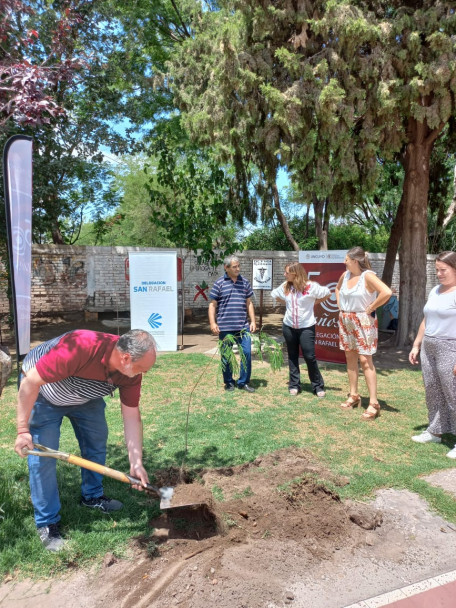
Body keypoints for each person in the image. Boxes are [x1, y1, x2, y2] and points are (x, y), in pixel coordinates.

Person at [14, 329, 157, 551]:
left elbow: (131, 415)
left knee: (96, 441)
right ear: (126, 358)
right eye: (141, 368)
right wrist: (23, 429)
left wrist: (136, 461)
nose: (142, 374)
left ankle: (92, 496)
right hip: (43, 392)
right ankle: (47, 522)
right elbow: (30, 382)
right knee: (44, 457)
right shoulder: (80, 346)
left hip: (85, 396)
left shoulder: (131, 373)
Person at [409, 251, 456, 458]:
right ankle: (435, 431)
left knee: (452, 392)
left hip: (450, 347)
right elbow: (426, 319)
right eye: (437, 270)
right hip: (429, 345)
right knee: (432, 389)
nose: (439, 274)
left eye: (443, 270)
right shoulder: (435, 291)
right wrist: (417, 345)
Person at [335, 247, 392, 420]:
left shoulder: (367, 276)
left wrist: (371, 307)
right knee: (350, 357)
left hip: (363, 321)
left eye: (346, 259)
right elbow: (337, 289)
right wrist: (340, 306)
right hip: (346, 320)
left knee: (365, 361)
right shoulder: (345, 276)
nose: (344, 262)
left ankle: (374, 403)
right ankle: (354, 395)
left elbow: (387, 292)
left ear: (354, 260)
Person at [271, 262, 330, 397]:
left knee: (309, 356)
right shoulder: (286, 286)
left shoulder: (311, 287)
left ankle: (317, 386)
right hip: (289, 326)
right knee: (292, 356)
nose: (284, 275)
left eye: (287, 272)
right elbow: (275, 294)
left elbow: (327, 293)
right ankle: (294, 384)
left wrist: (315, 302)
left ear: (295, 274)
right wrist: (286, 302)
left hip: (306, 327)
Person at [208, 255, 256, 392]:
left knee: (246, 353)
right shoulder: (219, 283)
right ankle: (229, 382)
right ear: (226, 267)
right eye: (234, 267)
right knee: (226, 356)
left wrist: (252, 321)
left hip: (243, 327)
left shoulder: (245, 282)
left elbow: (249, 303)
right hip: (225, 327)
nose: (238, 269)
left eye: (238, 266)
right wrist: (213, 323)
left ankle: (243, 382)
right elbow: (212, 305)